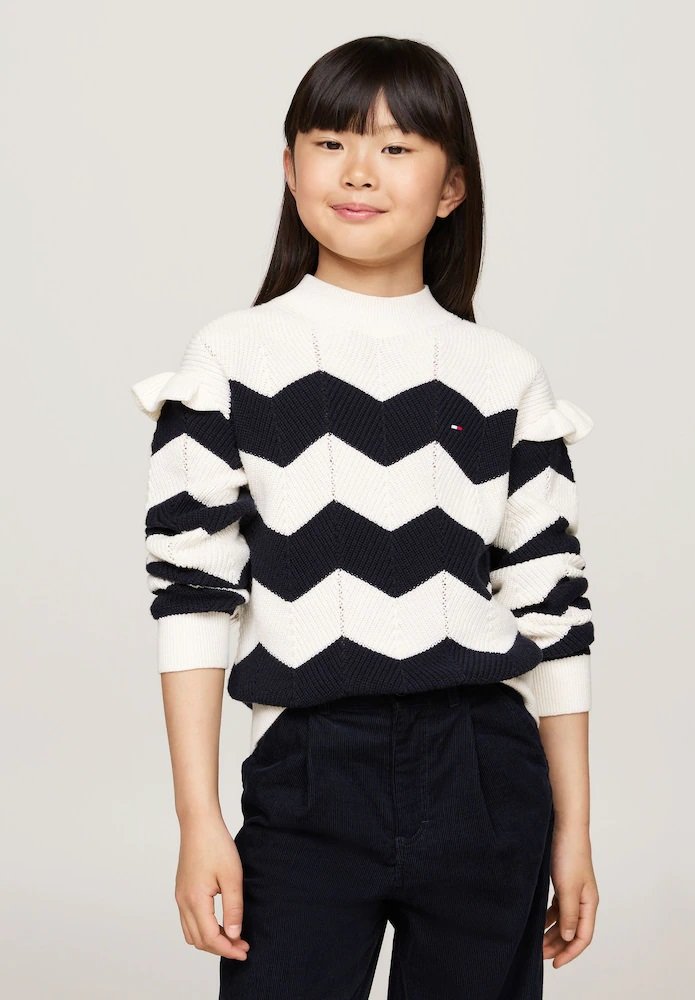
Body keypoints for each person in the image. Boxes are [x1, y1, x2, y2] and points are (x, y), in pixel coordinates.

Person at [131, 35, 600, 1000]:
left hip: (483, 767)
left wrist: (575, 829)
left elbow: (552, 606)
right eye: (331, 141)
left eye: (396, 147)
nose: (358, 171)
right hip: (308, 766)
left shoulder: (503, 374)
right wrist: (198, 820)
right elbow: (192, 592)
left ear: (452, 186)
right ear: (290, 167)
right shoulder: (232, 357)